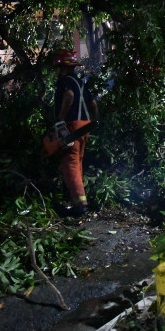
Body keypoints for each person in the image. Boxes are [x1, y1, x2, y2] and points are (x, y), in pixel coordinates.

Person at [53, 50, 99, 217]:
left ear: (63, 68)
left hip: (72, 126)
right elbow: (93, 103)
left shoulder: (65, 81)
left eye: (57, 68)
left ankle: (80, 205)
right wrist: (94, 122)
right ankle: (75, 200)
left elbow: (69, 95)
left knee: (70, 163)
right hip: (84, 126)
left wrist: (60, 119)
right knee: (77, 162)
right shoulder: (80, 82)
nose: (56, 71)